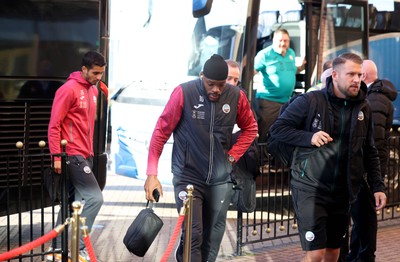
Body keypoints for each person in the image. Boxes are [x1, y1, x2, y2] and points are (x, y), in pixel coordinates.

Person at [268, 52, 387, 262]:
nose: (357, 79)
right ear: (335, 75)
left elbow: (369, 150)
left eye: (359, 74)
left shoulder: (363, 107)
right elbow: (277, 129)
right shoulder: (310, 101)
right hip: (310, 189)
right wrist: (309, 137)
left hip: (343, 191)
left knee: (334, 253)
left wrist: (378, 186)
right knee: (315, 254)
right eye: (351, 74)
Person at [143, 54, 258, 262]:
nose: (216, 90)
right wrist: (152, 173)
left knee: (212, 239)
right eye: (211, 84)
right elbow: (161, 132)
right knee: (193, 233)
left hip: (220, 180)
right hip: (188, 177)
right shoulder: (184, 92)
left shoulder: (236, 96)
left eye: (221, 85)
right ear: (201, 76)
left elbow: (250, 129)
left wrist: (231, 157)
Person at [47, 50, 106, 262]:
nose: (99, 77)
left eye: (101, 73)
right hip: (72, 155)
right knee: (94, 198)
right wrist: (56, 156)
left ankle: (56, 249)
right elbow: (54, 125)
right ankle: (79, 248)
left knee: (71, 201)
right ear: (84, 69)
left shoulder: (93, 90)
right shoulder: (68, 90)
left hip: (86, 153)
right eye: (95, 73)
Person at [344, 59, 397, 262]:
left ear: (363, 77)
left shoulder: (371, 101)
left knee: (363, 216)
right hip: (374, 165)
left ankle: (362, 255)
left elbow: (370, 141)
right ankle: (357, 254)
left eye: (358, 75)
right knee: (363, 215)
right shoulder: (384, 99)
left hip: (367, 168)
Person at [253, 28, 306, 155]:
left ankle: (275, 162)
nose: (283, 43)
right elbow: (250, 72)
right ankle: (260, 161)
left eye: (286, 40)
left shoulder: (291, 53)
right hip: (268, 101)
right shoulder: (264, 55)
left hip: (286, 102)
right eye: (280, 40)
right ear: (273, 40)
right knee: (265, 133)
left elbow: (292, 70)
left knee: (282, 132)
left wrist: (302, 67)